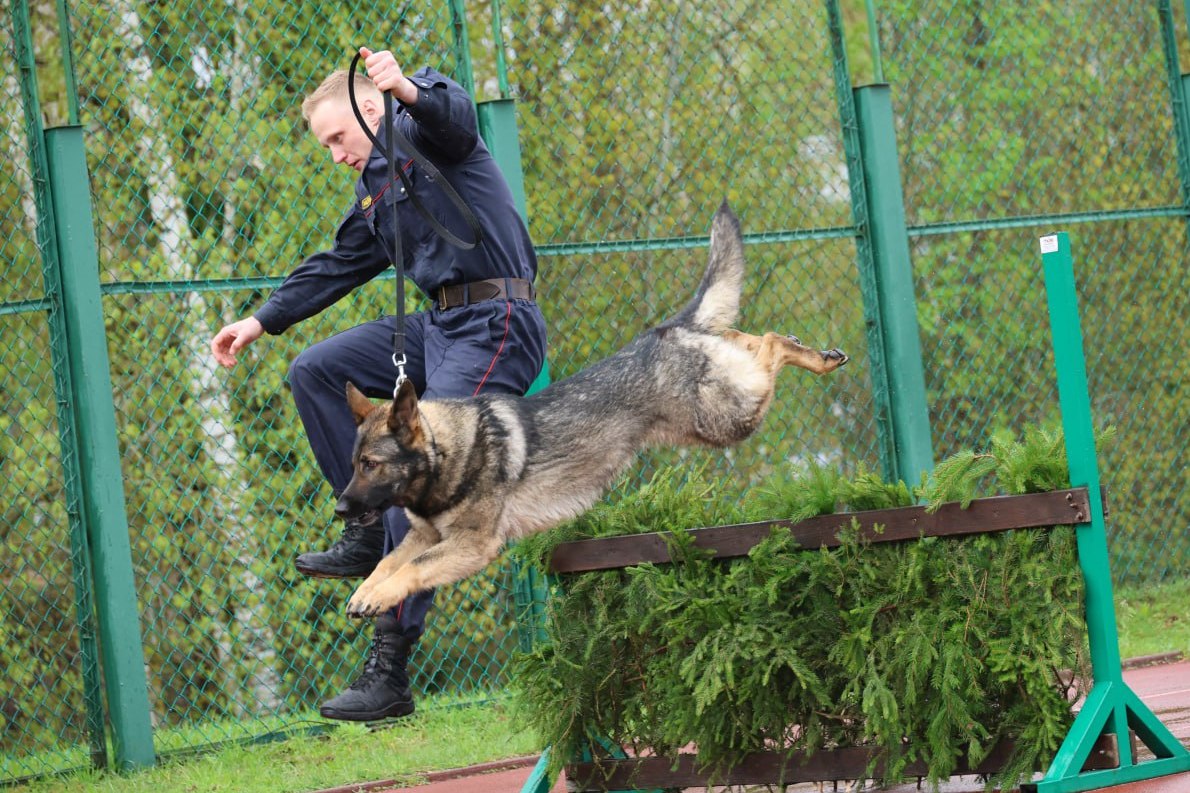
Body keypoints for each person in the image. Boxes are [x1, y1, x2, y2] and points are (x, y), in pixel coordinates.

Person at [210, 46, 547, 722]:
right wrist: (260, 319)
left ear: (370, 111)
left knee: (409, 472)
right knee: (315, 370)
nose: (334, 152)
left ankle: (389, 672)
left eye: (337, 137)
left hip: (495, 322)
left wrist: (406, 88)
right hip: (436, 330)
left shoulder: (427, 134)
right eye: (326, 144)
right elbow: (337, 264)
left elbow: (455, 118)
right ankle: (365, 526)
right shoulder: (373, 192)